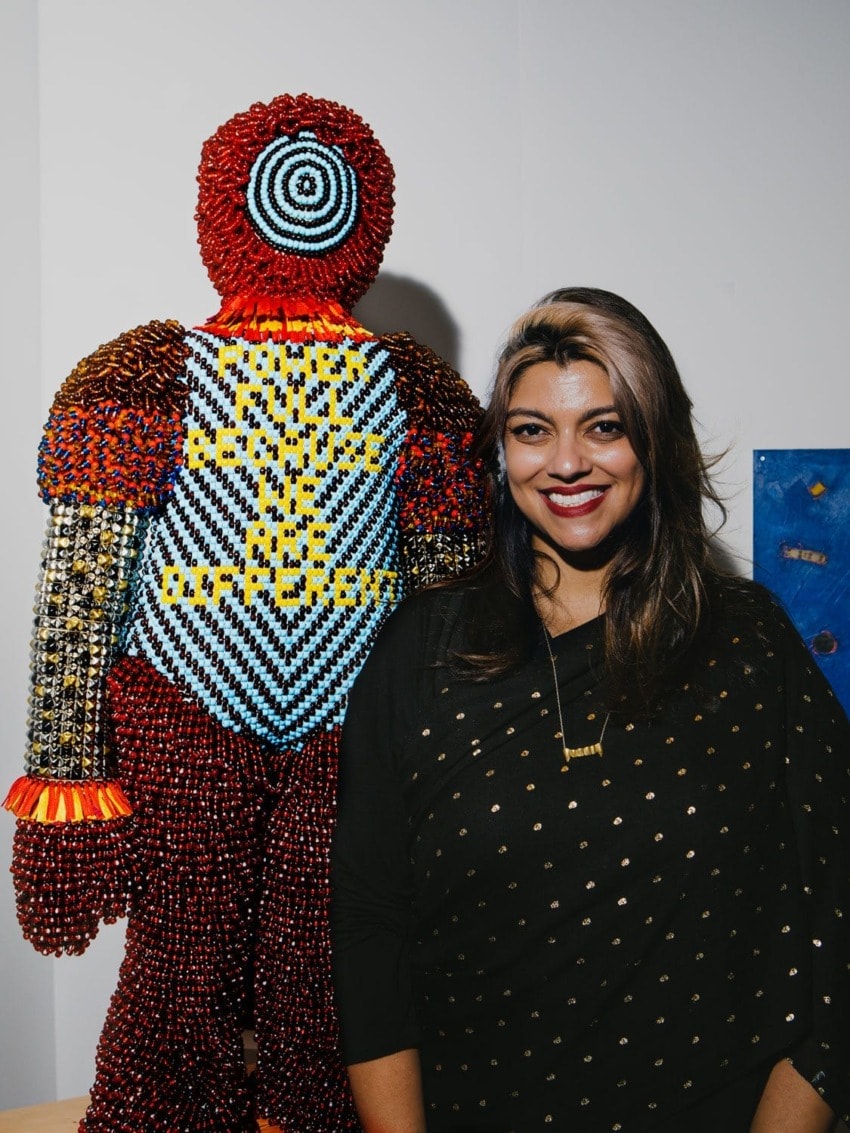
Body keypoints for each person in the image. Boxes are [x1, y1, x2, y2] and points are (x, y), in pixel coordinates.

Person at [330, 288, 850, 1132]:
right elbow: (369, 929)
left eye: (604, 426)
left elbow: (838, 918)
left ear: (654, 438)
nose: (565, 462)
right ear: (502, 448)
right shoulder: (419, 653)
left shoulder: (750, 645)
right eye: (532, 429)